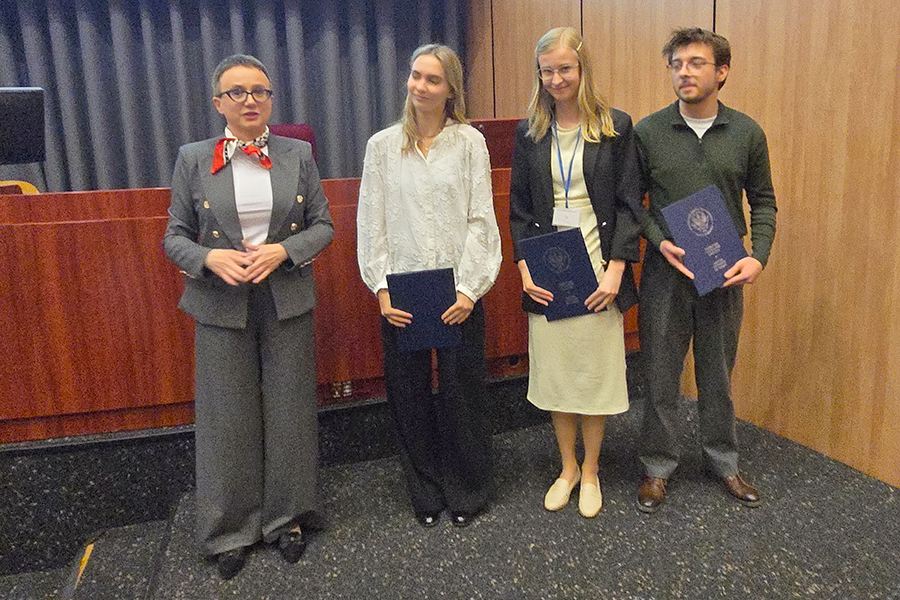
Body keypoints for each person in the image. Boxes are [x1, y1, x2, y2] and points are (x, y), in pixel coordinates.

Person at [163, 54, 334, 578]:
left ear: (271, 99)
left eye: (260, 91)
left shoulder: (297, 153)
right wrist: (208, 258)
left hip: (285, 297)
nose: (250, 100)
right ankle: (229, 529)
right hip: (220, 300)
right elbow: (173, 237)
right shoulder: (193, 158)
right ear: (218, 103)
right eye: (237, 92)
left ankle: (287, 519)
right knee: (226, 417)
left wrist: (284, 251)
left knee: (289, 411)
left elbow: (323, 226)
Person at [356, 44, 502, 528]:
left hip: (459, 290)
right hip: (402, 292)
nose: (420, 86)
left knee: (463, 394)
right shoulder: (381, 147)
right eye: (416, 75)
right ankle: (425, 491)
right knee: (409, 395)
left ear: (450, 89)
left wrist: (470, 289)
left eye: (432, 79)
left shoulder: (469, 144)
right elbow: (370, 223)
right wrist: (381, 289)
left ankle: (467, 491)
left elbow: (481, 220)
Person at [634, 28, 777, 513]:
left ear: (722, 72)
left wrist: (758, 256)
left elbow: (763, 200)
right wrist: (658, 240)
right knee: (661, 374)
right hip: (666, 273)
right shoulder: (648, 132)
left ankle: (724, 461)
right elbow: (633, 203)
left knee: (718, 373)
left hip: (723, 269)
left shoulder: (747, 133)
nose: (684, 72)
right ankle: (657, 467)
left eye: (696, 63)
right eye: (676, 64)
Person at [509, 27, 644, 518]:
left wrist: (616, 269)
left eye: (564, 68)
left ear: (582, 68)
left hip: (598, 270)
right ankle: (566, 467)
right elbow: (519, 209)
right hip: (548, 273)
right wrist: (524, 268)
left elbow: (630, 204)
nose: (556, 79)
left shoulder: (615, 126)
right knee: (557, 376)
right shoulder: (529, 132)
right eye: (546, 71)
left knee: (593, 376)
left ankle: (591, 470)